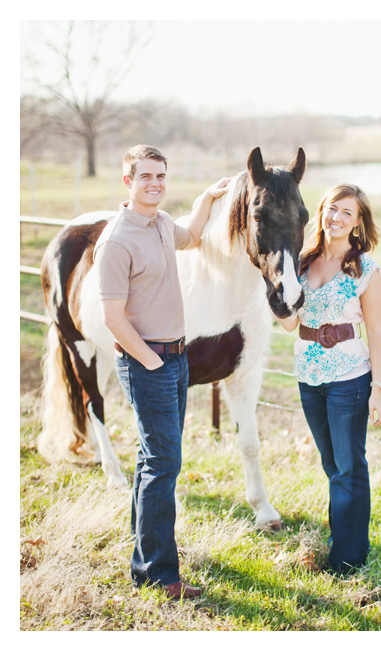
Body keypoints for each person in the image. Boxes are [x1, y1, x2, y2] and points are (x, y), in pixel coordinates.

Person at [94, 145, 228, 600]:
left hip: (176, 358)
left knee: (153, 459)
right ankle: (158, 574)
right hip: (146, 360)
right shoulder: (117, 240)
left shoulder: (160, 224)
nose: (155, 183)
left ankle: (144, 561)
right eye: (146, 176)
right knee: (165, 461)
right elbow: (113, 318)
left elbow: (190, 236)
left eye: (161, 176)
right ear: (128, 181)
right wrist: (150, 361)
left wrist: (207, 200)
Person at [276, 183, 381, 574]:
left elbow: (375, 333)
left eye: (347, 214)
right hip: (308, 376)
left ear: (358, 223)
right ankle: (345, 537)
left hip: (350, 378)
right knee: (331, 464)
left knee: (349, 466)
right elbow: (291, 324)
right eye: (333, 209)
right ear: (321, 211)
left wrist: (378, 389)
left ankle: (348, 558)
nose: (337, 218)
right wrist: (274, 293)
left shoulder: (365, 269)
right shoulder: (302, 263)